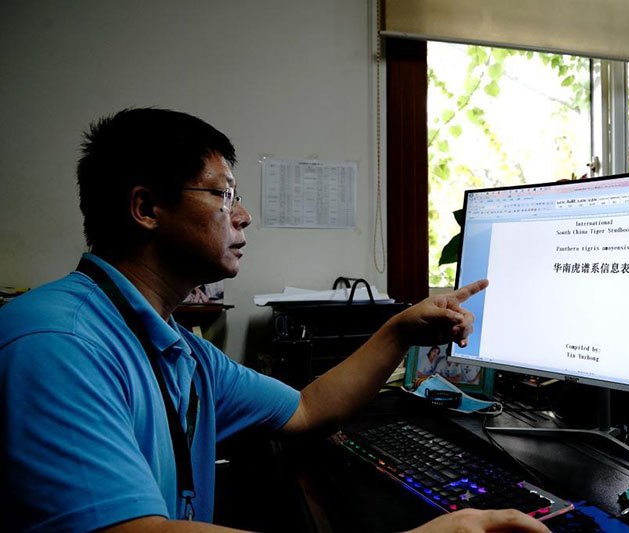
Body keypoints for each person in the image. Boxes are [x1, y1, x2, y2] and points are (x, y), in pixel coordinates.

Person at [0, 108, 548, 533]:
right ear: (146, 208)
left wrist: (400, 329)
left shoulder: (175, 347)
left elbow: (308, 409)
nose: (243, 214)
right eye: (222, 193)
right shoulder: (59, 344)